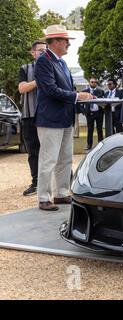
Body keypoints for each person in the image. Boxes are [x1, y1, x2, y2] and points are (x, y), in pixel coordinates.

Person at [34, 25, 93, 211]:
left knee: (65, 159)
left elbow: (65, 89)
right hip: (50, 118)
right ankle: (43, 197)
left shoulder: (60, 62)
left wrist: (79, 96)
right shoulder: (44, 61)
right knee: (48, 160)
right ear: (57, 42)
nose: (68, 44)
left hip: (65, 117)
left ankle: (61, 193)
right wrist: (77, 96)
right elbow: (50, 90)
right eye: (66, 41)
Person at [18, 40, 47, 196]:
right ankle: (36, 183)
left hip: (48, 116)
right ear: (33, 53)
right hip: (29, 115)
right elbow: (22, 88)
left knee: (53, 151)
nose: (43, 52)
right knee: (33, 151)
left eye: (45, 50)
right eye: (40, 50)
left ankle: (64, 180)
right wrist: (38, 81)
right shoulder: (25, 68)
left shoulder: (54, 67)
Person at [82, 77, 105, 150]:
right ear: (89, 82)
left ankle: (100, 144)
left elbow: (104, 101)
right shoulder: (85, 91)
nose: (94, 83)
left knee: (99, 129)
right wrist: (84, 111)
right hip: (89, 113)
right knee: (90, 129)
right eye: (92, 82)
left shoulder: (100, 91)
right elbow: (81, 103)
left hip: (99, 113)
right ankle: (89, 145)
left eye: (95, 82)